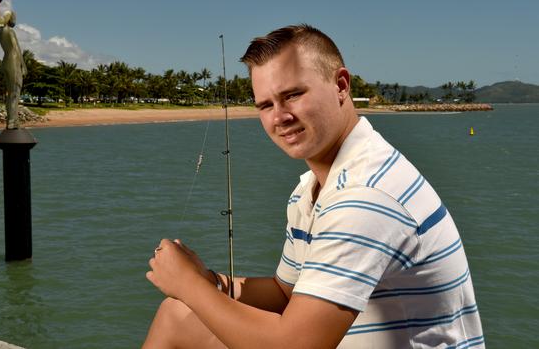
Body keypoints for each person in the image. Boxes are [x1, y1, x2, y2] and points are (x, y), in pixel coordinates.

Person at [144, 24, 484, 348]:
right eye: (265, 105)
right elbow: (285, 293)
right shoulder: (312, 189)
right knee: (178, 316)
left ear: (341, 85)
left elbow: (296, 345)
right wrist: (211, 282)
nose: (279, 116)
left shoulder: (365, 196)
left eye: (293, 95)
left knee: (183, 309)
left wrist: (186, 284)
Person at [0, 0, 27, 129]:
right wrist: (23, 65)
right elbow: (16, 49)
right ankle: (12, 121)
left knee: (10, 94)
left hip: (5, 62)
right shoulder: (10, 32)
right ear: (10, 20)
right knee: (15, 93)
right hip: (13, 62)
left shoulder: (1, 31)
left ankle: (11, 120)